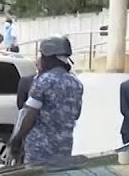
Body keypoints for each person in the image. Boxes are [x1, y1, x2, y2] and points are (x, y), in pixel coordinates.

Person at [9, 36, 84, 165]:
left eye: (42, 56)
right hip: (64, 149)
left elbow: (30, 116)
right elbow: (76, 115)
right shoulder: (76, 83)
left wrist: (17, 139)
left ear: (49, 58)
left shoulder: (43, 81)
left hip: (39, 150)